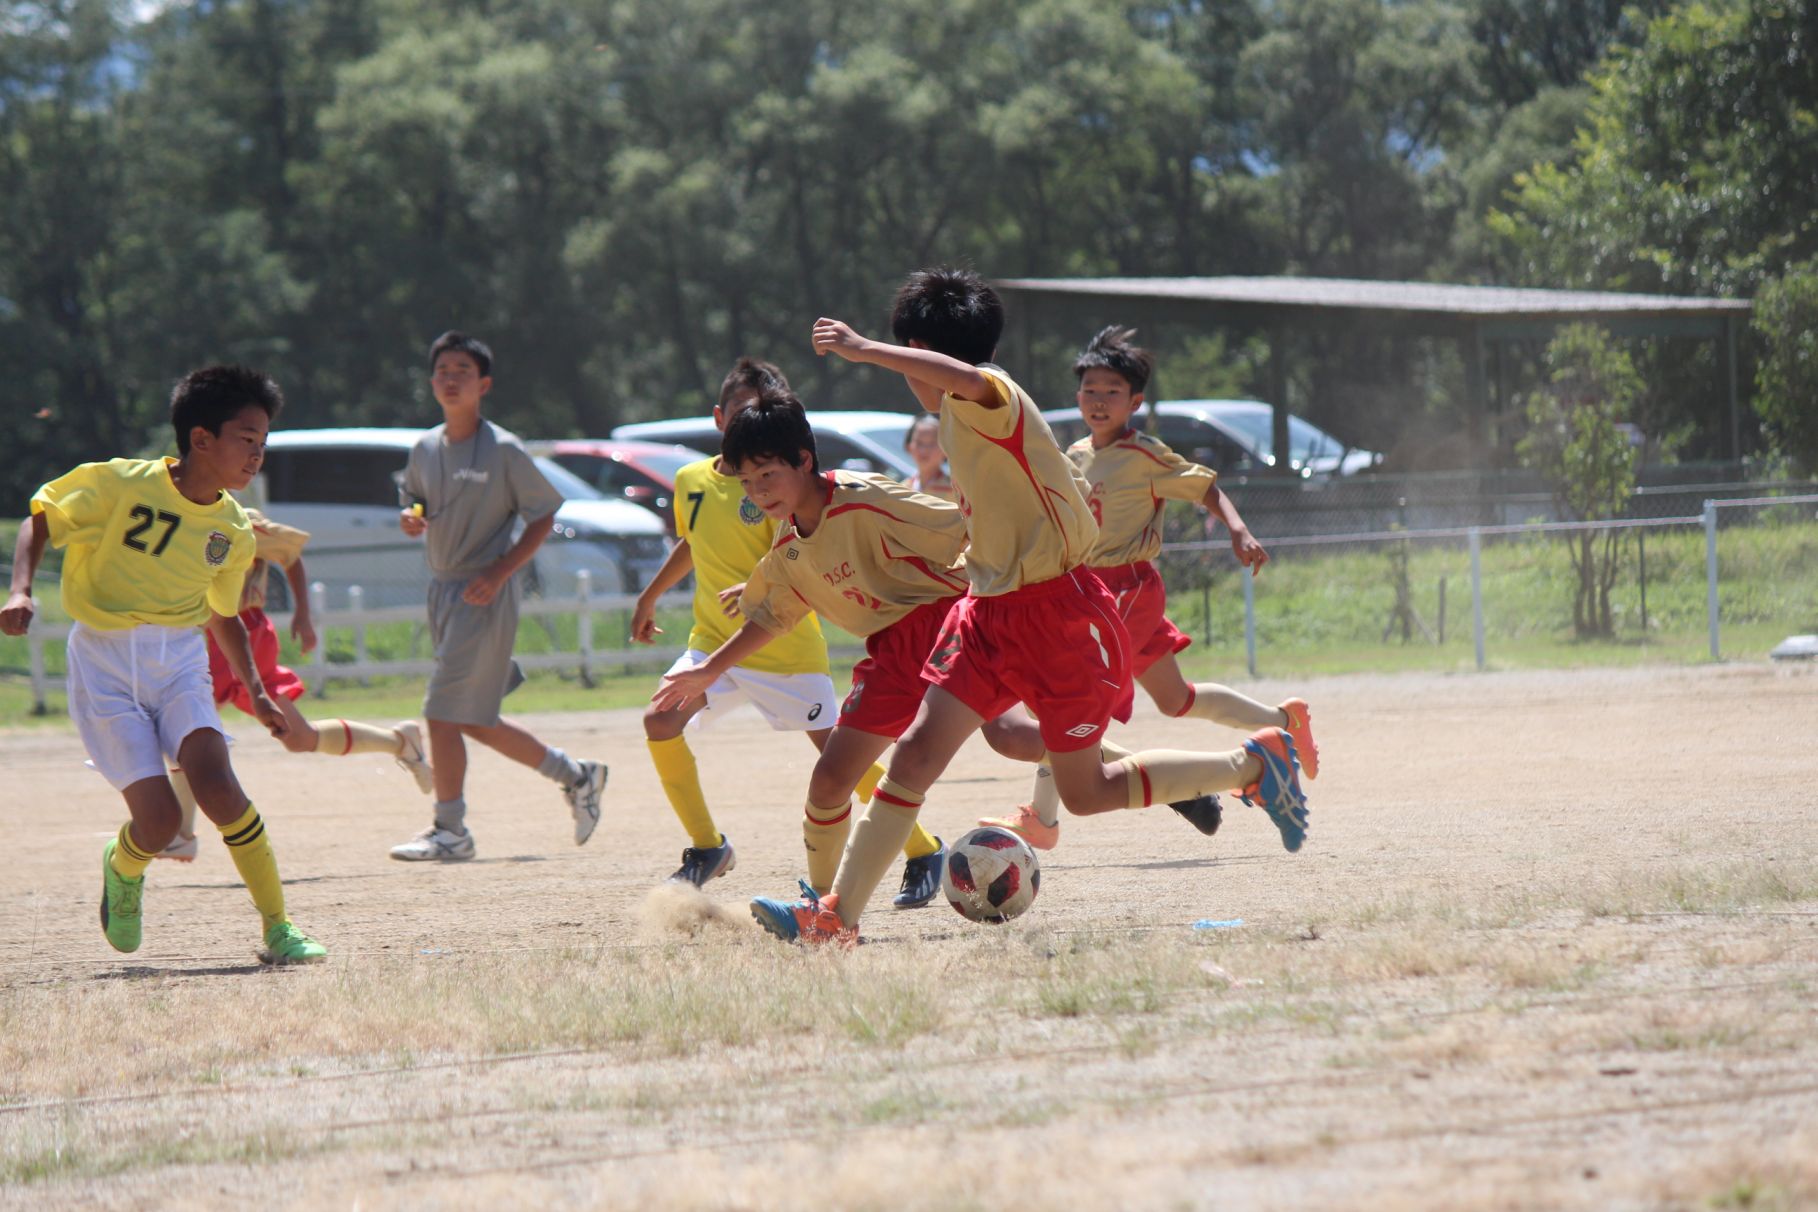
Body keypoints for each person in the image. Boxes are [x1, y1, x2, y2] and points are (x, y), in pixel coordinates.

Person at [750, 268, 1311, 946]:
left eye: (909, 358)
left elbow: (966, 378)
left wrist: (865, 349)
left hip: (1059, 615)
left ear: (927, 352)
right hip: (988, 614)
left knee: (1086, 792)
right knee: (915, 758)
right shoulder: (956, 422)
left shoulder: (993, 395)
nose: (907, 376)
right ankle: (836, 918)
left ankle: (1254, 765)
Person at [0, 365, 326, 963]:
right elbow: (39, 518)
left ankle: (278, 928)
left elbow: (220, 613)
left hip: (178, 659)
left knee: (220, 786)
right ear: (201, 439)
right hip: (103, 663)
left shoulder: (233, 528)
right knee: (158, 825)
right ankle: (123, 867)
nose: (257, 454)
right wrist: (20, 589)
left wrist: (256, 691)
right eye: (245, 439)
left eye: (263, 443)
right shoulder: (121, 484)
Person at [980, 326, 1319, 850]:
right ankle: (1285, 722)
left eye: (1111, 392)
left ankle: (1043, 819)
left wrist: (1238, 529)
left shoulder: (1145, 455)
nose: (1098, 401)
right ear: (1077, 396)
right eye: (1090, 390)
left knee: (1065, 698)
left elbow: (1206, 488)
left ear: (1134, 402)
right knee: (1176, 699)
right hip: (1087, 587)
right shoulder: (1072, 453)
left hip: (1127, 590)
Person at [631, 359, 947, 904]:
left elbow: (796, 566)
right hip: (721, 641)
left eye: (758, 415)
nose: (752, 481)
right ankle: (720, 853)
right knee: (662, 718)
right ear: (719, 419)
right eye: (737, 418)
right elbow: (698, 542)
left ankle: (921, 848)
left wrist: (760, 589)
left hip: (792, 647)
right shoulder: (698, 482)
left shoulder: (814, 490)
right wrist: (653, 596)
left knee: (845, 762)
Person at [388, 331, 607, 862]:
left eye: (462, 369)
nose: (450, 378)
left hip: (483, 593)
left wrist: (502, 570)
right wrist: (412, 518)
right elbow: (414, 498)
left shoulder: (504, 449)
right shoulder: (423, 447)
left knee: (440, 713)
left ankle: (450, 831)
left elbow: (544, 513)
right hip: (441, 590)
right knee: (472, 719)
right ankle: (576, 775)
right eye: (442, 369)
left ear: (483, 384)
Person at [154, 506, 435, 860]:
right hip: (204, 633)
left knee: (187, 724)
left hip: (241, 631)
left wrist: (303, 612)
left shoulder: (238, 517)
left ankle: (180, 833)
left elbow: (291, 553)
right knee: (297, 737)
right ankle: (400, 742)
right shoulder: (171, 512)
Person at [902, 412, 954, 500]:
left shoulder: (956, 492)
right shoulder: (901, 488)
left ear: (945, 449)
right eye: (919, 443)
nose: (924, 450)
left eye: (932, 444)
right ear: (908, 446)